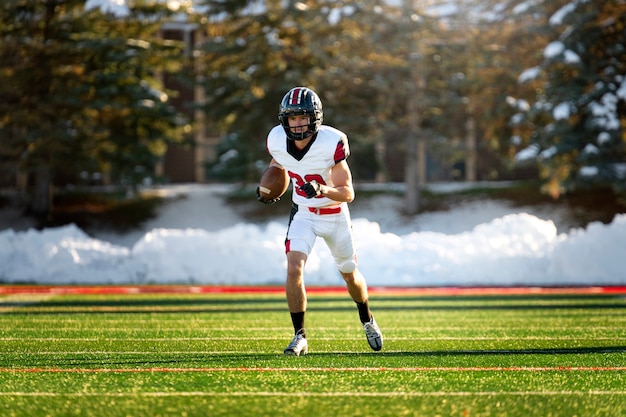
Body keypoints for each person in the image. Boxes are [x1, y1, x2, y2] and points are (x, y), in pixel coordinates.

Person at [257, 86, 383, 356]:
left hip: (335, 215)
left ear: (315, 118)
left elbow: (348, 192)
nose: (298, 123)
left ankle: (367, 319)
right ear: (284, 120)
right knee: (294, 268)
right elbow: (277, 165)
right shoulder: (277, 140)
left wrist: (324, 190)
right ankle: (299, 335)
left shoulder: (331, 142)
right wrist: (267, 186)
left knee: (349, 275)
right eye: (293, 118)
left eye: (303, 117)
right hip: (303, 213)